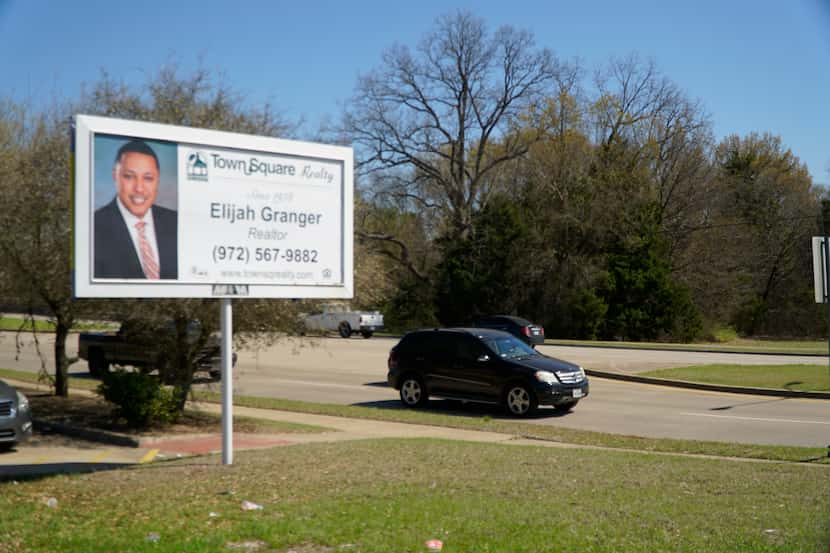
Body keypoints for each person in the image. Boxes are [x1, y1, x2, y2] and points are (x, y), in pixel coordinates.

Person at [93, 140, 178, 279]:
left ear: (158, 180)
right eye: (129, 176)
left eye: (148, 178)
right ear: (115, 176)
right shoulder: (93, 228)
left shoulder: (176, 223)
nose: (139, 188)